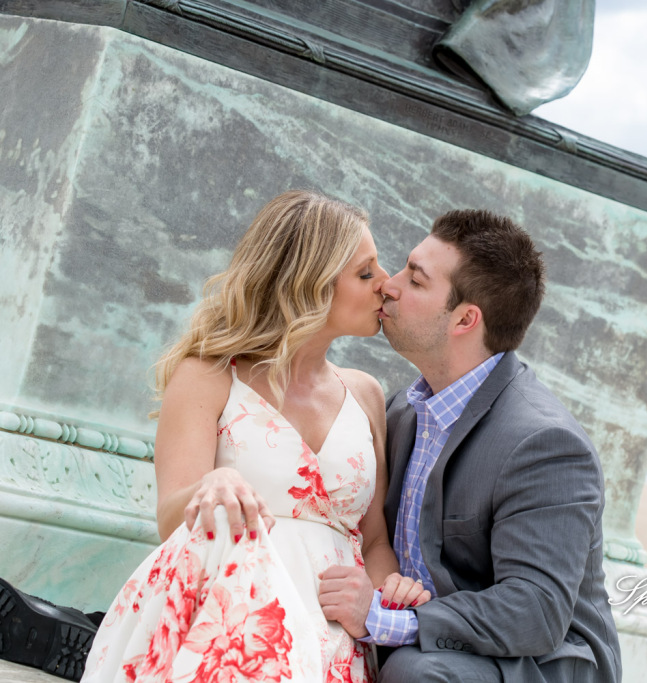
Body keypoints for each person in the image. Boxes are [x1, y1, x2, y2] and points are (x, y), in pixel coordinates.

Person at [70, 190, 427, 682]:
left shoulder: (366, 394)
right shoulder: (209, 376)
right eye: (365, 273)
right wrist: (209, 486)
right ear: (310, 283)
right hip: (229, 625)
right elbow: (170, 519)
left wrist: (391, 590)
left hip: (333, 640)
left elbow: (373, 541)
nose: (386, 285)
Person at [317, 210, 622, 682]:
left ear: (465, 318)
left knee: (416, 672)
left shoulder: (544, 444)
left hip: (537, 664)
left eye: (415, 281)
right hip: (434, 642)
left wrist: (384, 621)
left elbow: (536, 611)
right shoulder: (399, 410)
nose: (388, 286)